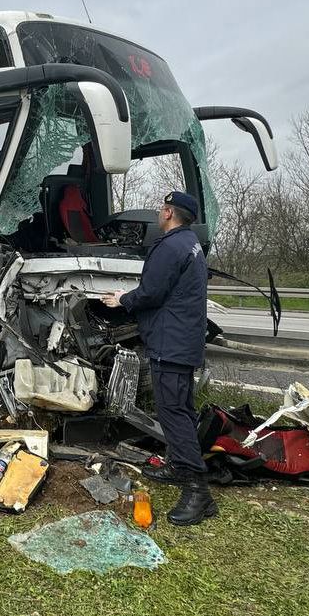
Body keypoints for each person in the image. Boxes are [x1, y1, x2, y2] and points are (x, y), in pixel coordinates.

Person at [102, 191, 215, 526]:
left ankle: (198, 491)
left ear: (168, 213)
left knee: (174, 412)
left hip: (171, 342)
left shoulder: (170, 246)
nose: (158, 214)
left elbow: (152, 292)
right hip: (182, 339)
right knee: (180, 409)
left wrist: (122, 299)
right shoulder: (190, 243)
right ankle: (178, 465)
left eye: (161, 209)